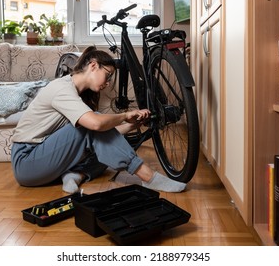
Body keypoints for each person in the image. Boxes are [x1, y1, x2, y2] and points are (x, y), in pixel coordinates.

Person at [11, 46, 186, 193]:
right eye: (108, 75)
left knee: (105, 153)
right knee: (96, 123)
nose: (108, 83)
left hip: (44, 156)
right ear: (93, 65)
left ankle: (76, 175)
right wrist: (125, 115)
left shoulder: (76, 94)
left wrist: (133, 125)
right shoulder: (61, 89)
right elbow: (95, 125)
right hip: (27, 162)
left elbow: (103, 134)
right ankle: (148, 177)